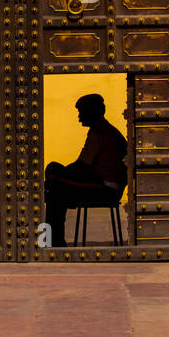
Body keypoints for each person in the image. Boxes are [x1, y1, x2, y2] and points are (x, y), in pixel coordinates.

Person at [44, 94, 128, 247]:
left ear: (92, 112)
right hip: (108, 186)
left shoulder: (99, 133)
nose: (79, 117)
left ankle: (52, 243)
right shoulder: (108, 130)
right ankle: (53, 241)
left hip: (103, 188)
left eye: (81, 112)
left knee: (53, 187)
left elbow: (82, 166)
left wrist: (58, 175)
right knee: (54, 182)